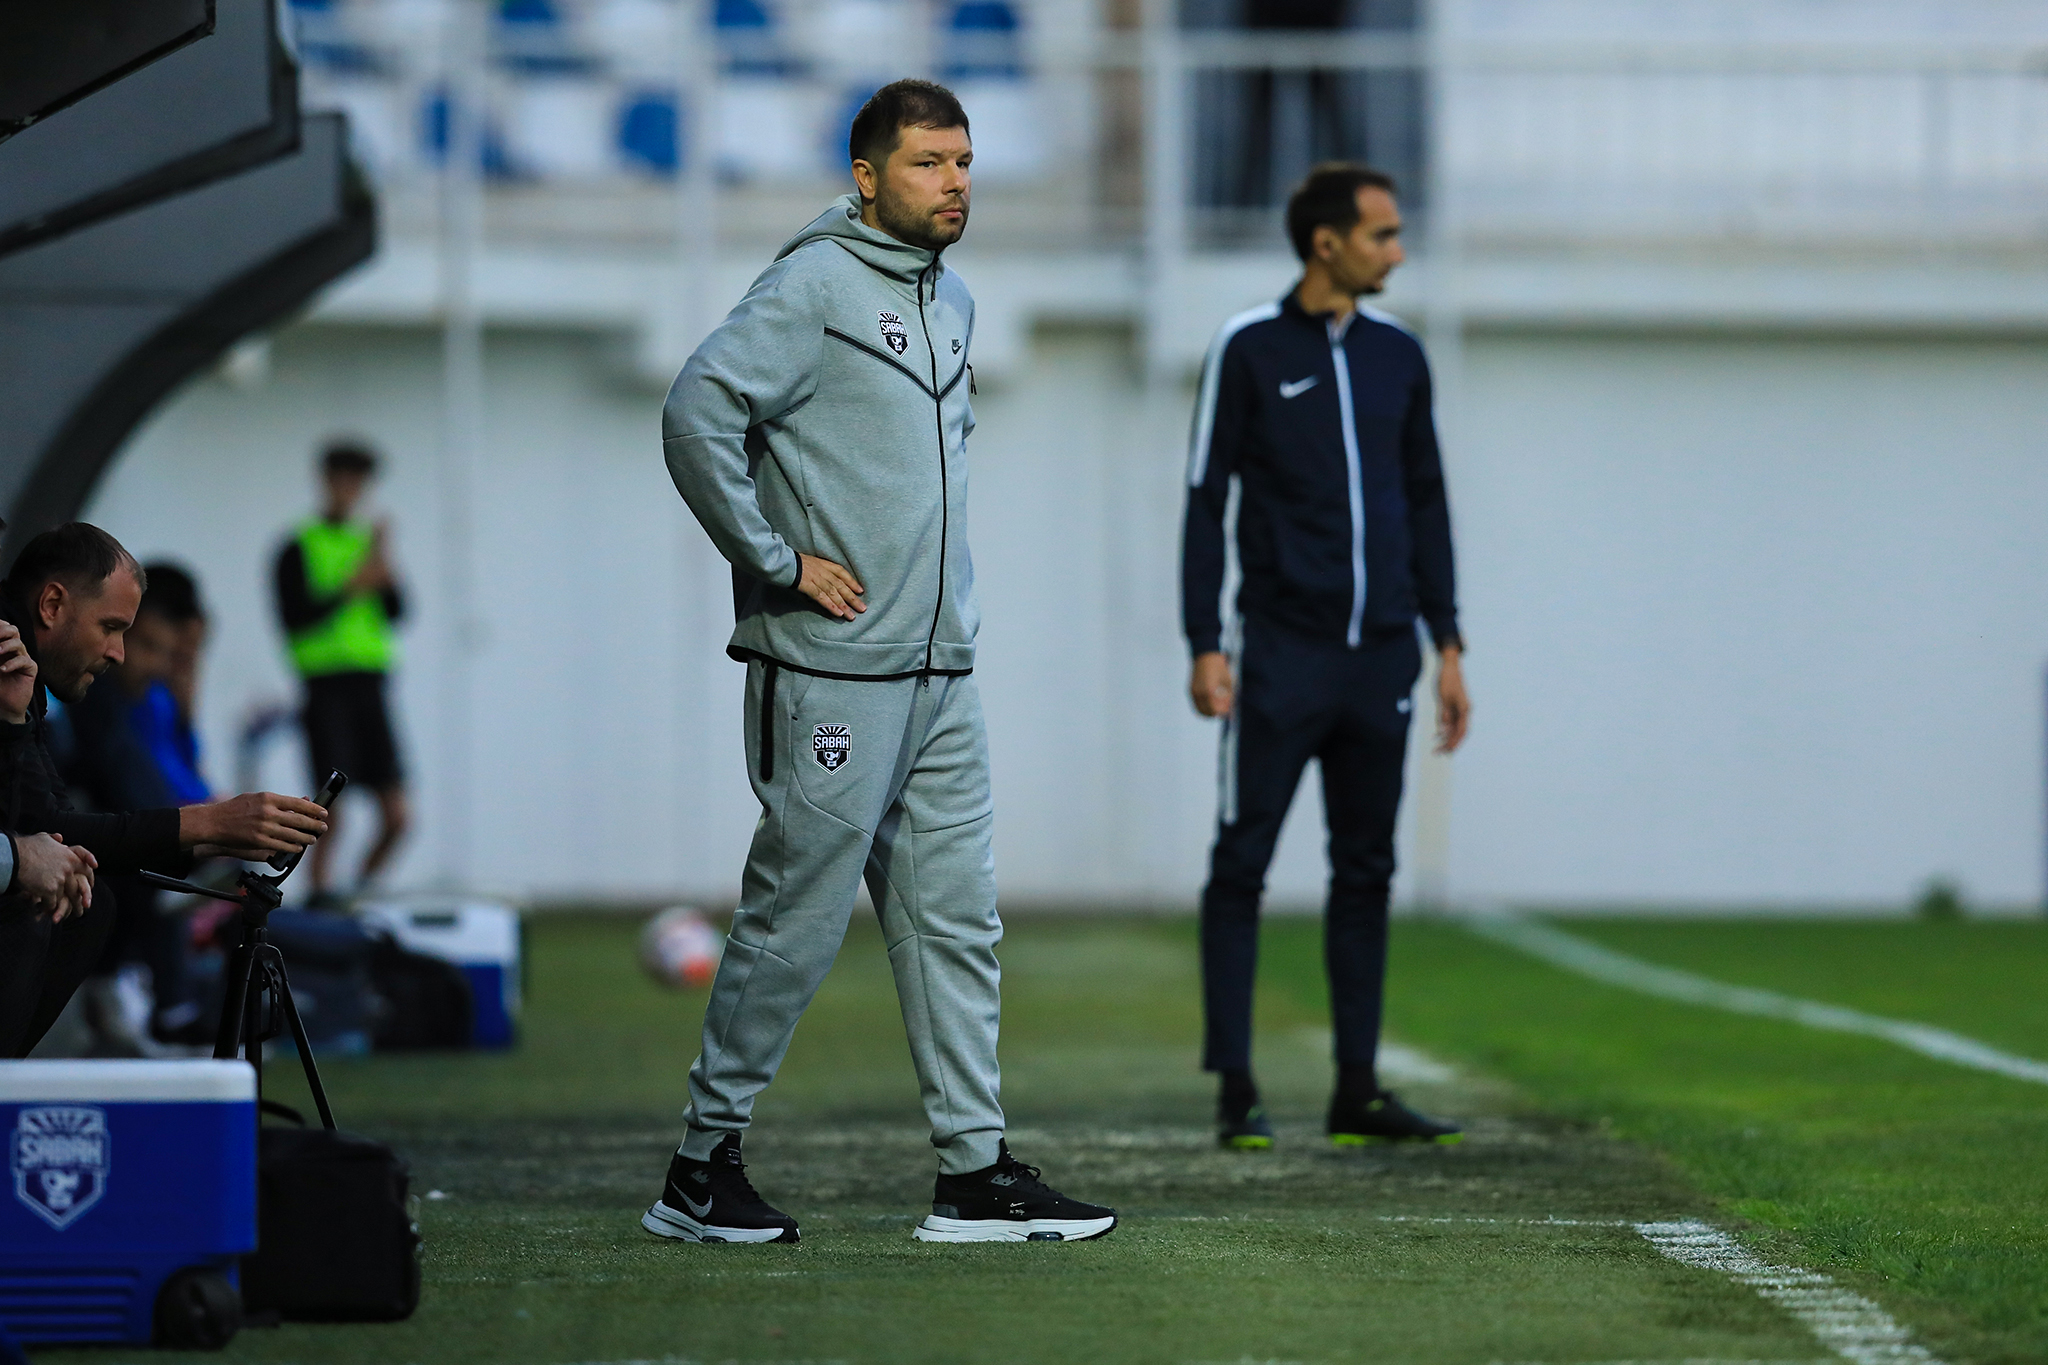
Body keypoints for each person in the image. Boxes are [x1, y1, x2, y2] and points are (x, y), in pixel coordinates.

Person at [648, 79, 1115, 1246]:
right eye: (925, 162)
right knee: (793, 925)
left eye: (963, 161)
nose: (953, 182)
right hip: (830, 671)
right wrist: (775, 560)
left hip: (941, 675)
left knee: (955, 924)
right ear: (865, 178)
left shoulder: (949, 297)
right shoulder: (811, 286)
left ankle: (973, 1173)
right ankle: (699, 1170)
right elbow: (696, 411)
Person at [1181, 163, 1472, 1150]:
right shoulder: (1247, 348)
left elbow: (1426, 500)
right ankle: (1236, 1089)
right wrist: (1203, 643)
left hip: (1380, 661)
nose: (1397, 251)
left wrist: (1446, 642)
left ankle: (1357, 1089)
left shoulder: (1400, 356)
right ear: (1325, 243)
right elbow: (1204, 500)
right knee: (1241, 864)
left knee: (1366, 870)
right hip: (1279, 657)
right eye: (1382, 235)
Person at [0, 523, 330, 1057]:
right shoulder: (40, 674)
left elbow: (46, 819)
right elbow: (50, 824)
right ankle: (159, 1011)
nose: (119, 653)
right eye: (111, 628)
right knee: (63, 897)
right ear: (53, 604)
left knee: (87, 897)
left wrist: (214, 831)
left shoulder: (27, 671)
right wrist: (209, 824)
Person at [273, 440, 410, 901]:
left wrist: (384, 567)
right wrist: (353, 585)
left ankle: (357, 893)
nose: (351, 489)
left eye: (359, 481)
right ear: (326, 480)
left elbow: (397, 610)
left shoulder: (368, 544)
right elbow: (295, 616)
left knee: (398, 814)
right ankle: (318, 898)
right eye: (343, 478)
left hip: (371, 686)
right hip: (325, 688)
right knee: (331, 811)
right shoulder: (298, 545)